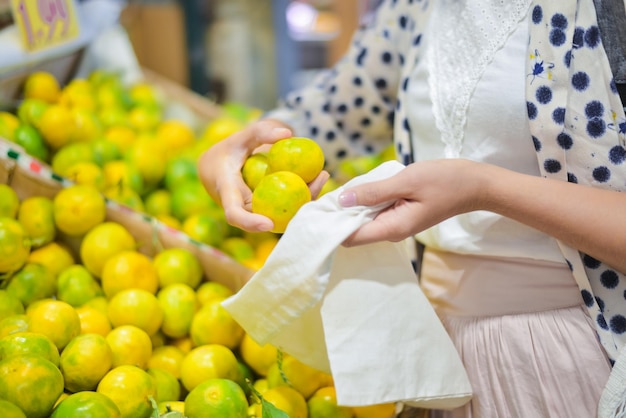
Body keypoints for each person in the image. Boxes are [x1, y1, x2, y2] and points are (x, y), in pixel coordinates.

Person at [198, 0, 626, 417]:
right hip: (430, 352)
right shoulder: (415, 8)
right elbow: (317, 122)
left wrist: (484, 187)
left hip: (574, 356)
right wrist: (229, 159)